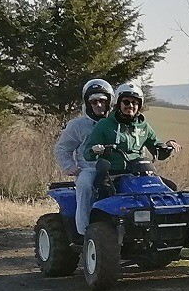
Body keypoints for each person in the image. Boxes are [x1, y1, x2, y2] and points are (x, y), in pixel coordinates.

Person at [82, 83, 178, 218]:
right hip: (113, 173)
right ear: (118, 103)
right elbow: (87, 154)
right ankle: (100, 225)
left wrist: (168, 147)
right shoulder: (105, 125)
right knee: (104, 190)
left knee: (170, 187)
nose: (130, 106)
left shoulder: (144, 127)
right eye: (126, 102)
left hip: (140, 174)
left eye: (134, 103)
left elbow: (158, 152)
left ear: (139, 105)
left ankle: (163, 222)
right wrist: (96, 150)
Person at [58, 79, 115, 234]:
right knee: (84, 186)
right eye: (94, 101)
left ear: (109, 102)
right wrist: (69, 166)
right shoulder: (78, 125)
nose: (98, 105)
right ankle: (84, 232)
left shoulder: (116, 123)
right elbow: (62, 147)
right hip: (89, 168)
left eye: (102, 101)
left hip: (116, 168)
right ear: (87, 103)